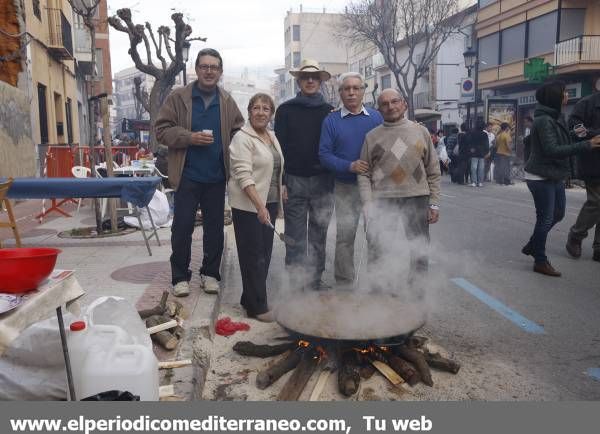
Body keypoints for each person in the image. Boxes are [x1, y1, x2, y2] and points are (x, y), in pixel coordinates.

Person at [155, 48, 244, 297]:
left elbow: (238, 130)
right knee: (181, 227)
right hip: (186, 175)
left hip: (216, 176)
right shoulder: (178, 97)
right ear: (196, 69)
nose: (209, 71)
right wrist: (189, 137)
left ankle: (210, 274)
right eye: (204, 66)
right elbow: (161, 130)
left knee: (215, 228)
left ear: (220, 71)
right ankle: (180, 277)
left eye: (214, 67)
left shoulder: (226, 101)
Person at [358, 89, 441, 295]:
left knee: (419, 250)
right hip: (383, 201)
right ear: (379, 109)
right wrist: (367, 203)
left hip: (416, 198)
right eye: (385, 104)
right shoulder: (372, 137)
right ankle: (380, 294)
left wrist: (434, 202)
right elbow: (363, 173)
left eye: (395, 101)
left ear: (404, 104)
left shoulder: (420, 132)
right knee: (379, 250)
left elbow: (433, 169)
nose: (391, 106)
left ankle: (417, 297)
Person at [522, 81, 600, 277]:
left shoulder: (556, 117)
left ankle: (534, 243)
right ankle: (540, 260)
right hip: (540, 176)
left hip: (554, 174)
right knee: (546, 218)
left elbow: (562, 140)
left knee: (558, 214)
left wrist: (577, 134)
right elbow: (552, 150)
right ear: (555, 96)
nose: (567, 96)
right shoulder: (543, 120)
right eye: (564, 93)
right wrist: (588, 144)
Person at [319, 72, 383, 287]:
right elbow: (324, 154)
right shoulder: (331, 120)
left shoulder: (377, 117)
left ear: (363, 91)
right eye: (347, 88)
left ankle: (377, 283)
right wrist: (350, 166)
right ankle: (344, 285)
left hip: (374, 189)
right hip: (345, 186)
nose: (352, 92)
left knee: (375, 236)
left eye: (356, 88)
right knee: (345, 238)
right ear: (340, 93)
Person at [274, 59, 334, 291]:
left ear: (320, 81)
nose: (310, 80)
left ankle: (315, 280)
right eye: (306, 77)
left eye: (315, 77)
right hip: (294, 181)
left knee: (319, 235)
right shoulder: (285, 110)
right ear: (299, 81)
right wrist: (282, 182)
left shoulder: (330, 112)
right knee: (295, 236)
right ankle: (296, 281)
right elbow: (279, 151)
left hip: (323, 183)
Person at [228, 94, 284, 322]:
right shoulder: (242, 138)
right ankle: (258, 307)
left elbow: (276, 168)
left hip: (268, 202)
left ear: (271, 113)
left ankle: (248, 298)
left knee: (265, 255)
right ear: (249, 112)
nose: (261, 112)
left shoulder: (271, 136)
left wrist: (279, 193)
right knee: (254, 257)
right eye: (256, 108)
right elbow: (243, 175)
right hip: (249, 206)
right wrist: (259, 206)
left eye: (266, 108)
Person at [566, 91, 600, 262]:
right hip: (593, 161)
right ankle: (576, 235)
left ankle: (598, 248)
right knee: (596, 201)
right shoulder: (586, 103)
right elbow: (574, 129)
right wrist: (594, 135)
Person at [468, 121, 490, 187]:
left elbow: (469, 142)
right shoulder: (485, 134)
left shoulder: (472, 133)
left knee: (473, 168)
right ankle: (480, 182)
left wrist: (471, 148)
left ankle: (474, 182)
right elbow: (487, 144)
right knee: (481, 168)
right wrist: (487, 152)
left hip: (474, 152)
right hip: (482, 153)